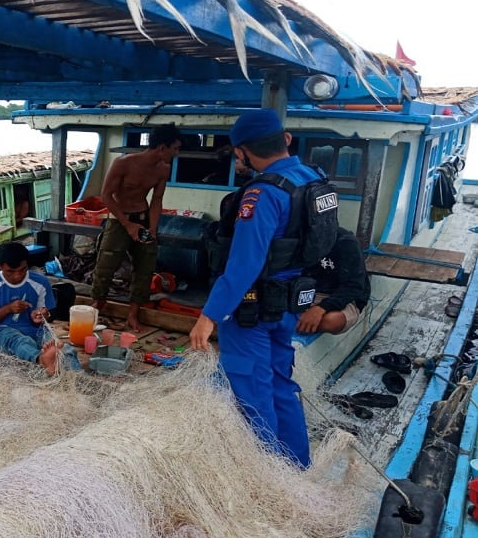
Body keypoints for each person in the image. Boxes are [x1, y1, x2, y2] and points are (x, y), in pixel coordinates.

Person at [189, 108, 327, 469]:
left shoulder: (263, 194)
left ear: (241, 152)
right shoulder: (312, 179)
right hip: (289, 303)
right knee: (281, 384)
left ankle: (263, 475)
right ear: (286, 139)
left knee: (251, 391)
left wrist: (209, 317)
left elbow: (244, 264)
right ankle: (297, 465)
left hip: (252, 310)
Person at [90, 123, 183, 332]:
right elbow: (106, 196)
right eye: (174, 148)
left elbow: (157, 199)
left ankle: (133, 315)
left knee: (145, 266)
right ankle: (96, 308)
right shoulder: (123, 163)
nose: (177, 153)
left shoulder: (164, 169)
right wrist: (127, 224)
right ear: (161, 147)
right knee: (106, 264)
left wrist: (152, 228)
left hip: (143, 217)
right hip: (119, 220)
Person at [0, 242, 59, 375]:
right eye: (10, 271)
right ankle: (42, 360)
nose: (17, 276)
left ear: (27, 264)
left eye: (22, 270)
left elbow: (49, 312)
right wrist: (8, 309)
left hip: (37, 330)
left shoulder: (40, 282)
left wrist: (42, 314)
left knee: (62, 349)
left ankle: (78, 376)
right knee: (22, 342)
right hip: (4, 332)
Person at [296, 227, 370, 335]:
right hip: (302, 292)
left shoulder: (346, 241)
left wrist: (321, 308)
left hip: (340, 296)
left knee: (331, 321)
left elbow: (354, 286)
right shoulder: (293, 238)